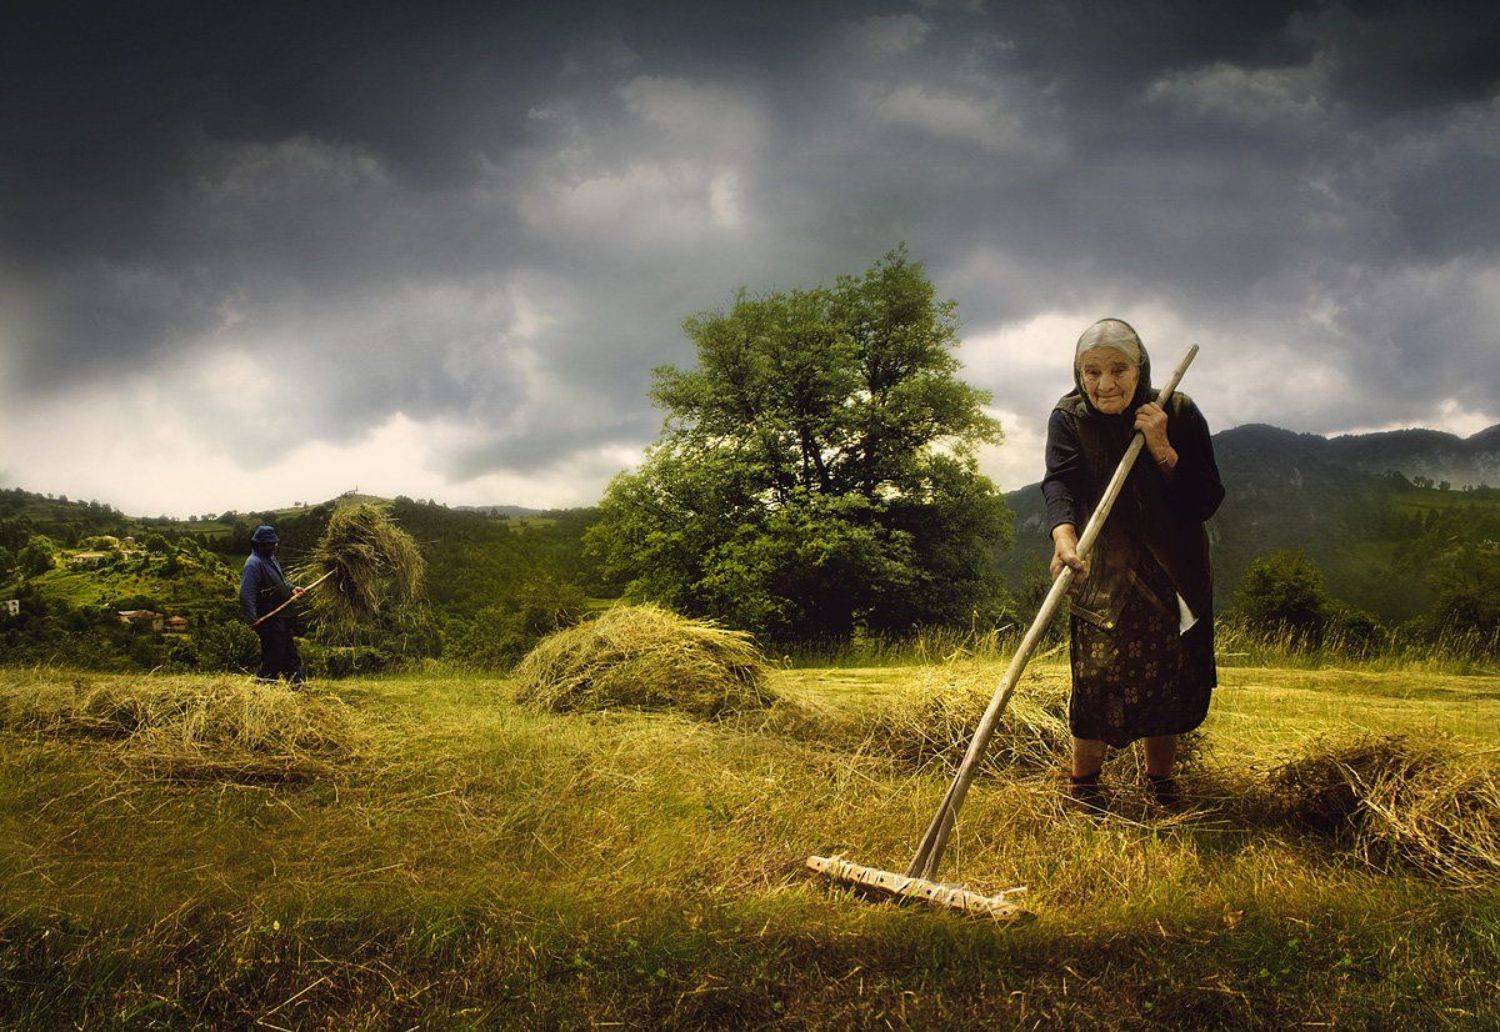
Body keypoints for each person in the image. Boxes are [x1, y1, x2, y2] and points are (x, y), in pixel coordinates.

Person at [1041, 319, 1224, 811]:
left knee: (1167, 676)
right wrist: (1063, 534)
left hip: (1170, 572)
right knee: (1095, 680)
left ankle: (1160, 783)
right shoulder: (1069, 417)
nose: (1105, 383)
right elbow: (1058, 482)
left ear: (1139, 367)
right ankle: (1085, 788)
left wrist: (1163, 447)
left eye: (1119, 369)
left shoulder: (1178, 412)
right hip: (1102, 570)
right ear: (1079, 373)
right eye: (1092, 371)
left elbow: (1205, 500)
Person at [239, 524, 307, 685]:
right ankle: (263, 692)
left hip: (281, 618)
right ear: (261, 545)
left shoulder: (270, 559)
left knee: (290, 655)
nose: (276, 546)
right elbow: (245, 593)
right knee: (274, 657)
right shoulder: (253, 564)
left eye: (275, 542)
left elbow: (280, 583)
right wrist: (252, 618)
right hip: (269, 620)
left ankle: (299, 689)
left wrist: (291, 589)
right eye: (272, 543)